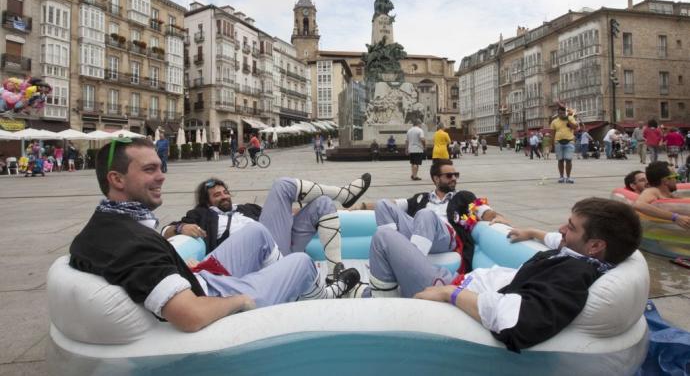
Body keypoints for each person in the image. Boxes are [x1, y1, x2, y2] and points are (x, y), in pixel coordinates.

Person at [69, 138, 360, 334]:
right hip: (213, 295)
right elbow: (190, 314)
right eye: (149, 169)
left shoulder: (108, 224)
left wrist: (184, 268)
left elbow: (152, 267)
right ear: (116, 179)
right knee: (300, 262)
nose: (161, 176)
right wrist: (242, 300)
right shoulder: (131, 241)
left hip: (202, 276)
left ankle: (283, 280)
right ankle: (326, 293)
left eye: (160, 167)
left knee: (258, 231)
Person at [411, 197, 641, 352]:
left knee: (385, 240)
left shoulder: (573, 274)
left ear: (595, 246)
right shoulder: (579, 254)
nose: (561, 229)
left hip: (457, 294)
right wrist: (531, 232)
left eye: (571, 227)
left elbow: (519, 321)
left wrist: (450, 293)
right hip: (468, 283)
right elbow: (555, 238)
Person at [161, 174, 371, 283]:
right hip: (256, 259)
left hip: (282, 248)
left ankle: (335, 273)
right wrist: (180, 227)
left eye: (225, 192)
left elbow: (279, 218)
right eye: (217, 195)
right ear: (207, 202)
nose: (224, 196)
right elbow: (166, 231)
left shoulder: (247, 208)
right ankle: (344, 194)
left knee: (324, 203)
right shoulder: (202, 214)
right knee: (282, 185)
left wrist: (301, 213)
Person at [354, 159, 506, 293]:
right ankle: (391, 256)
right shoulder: (421, 197)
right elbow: (394, 204)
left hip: (445, 237)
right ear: (436, 178)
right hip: (420, 231)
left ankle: (410, 263)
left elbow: (482, 210)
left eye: (455, 175)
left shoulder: (463, 196)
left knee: (425, 214)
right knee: (383, 204)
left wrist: (497, 216)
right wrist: (360, 206)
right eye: (449, 176)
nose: (454, 178)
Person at [634, 161, 690, 230]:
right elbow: (639, 205)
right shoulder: (653, 191)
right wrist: (675, 217)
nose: (677, 180)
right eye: (675, 176)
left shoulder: (669, 195)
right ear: (665, 180)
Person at [550, 104, 578, 183]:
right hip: (558, 143)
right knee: (560, 160)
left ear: (565, 113)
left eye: (563, 113)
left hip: (569, 142)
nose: (561, 115)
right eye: (560, 113)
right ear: (558, 113)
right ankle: (561, 177)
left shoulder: (571, 118)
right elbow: (552, 133)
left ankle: (568, 177)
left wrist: (568, 119)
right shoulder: (554, 122)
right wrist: (552, 144)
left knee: (568, 160)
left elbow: (575, 127)